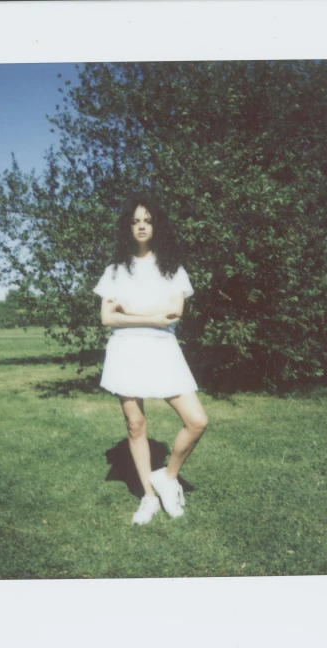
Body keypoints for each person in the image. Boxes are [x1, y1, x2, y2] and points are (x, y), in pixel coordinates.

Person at [94, 197, 208, 525]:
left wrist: (130, 311)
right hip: (125, 350)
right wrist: (151, 318)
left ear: (157, 226)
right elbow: (106, 318)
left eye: (147, 220)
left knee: (197, 420)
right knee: (136, 425)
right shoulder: (114, 271)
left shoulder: (173, 269)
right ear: (128, 227)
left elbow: (175, 313)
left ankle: (168, 478)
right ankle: (148, 496)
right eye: (135, 220)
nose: (141, 225)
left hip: (163, 349)